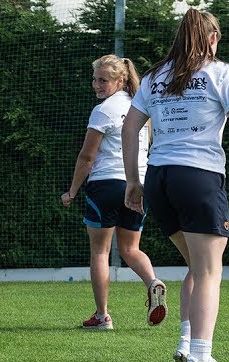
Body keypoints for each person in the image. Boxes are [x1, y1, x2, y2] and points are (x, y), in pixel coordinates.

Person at [123, 9, 229, 362]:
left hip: (159, 180)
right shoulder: (222, 73)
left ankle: (188, 342)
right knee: (208, 271)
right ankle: (201, 359)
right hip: (199, 177)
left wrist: (133, 182)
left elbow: (130, 126)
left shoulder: (154, 76)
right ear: (213, 38)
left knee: (196, 266)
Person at [61, 54, 165, 331]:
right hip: (139, 185)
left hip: (105, 186)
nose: (96, 84)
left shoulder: (104, 110)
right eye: (94, 79)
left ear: (120, 80)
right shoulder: (141, 108)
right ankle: (153, 282)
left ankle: (101, 316)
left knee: (100, 251)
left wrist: (72, 191)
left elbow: (86, 157)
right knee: (132, 249)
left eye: (103, 80)